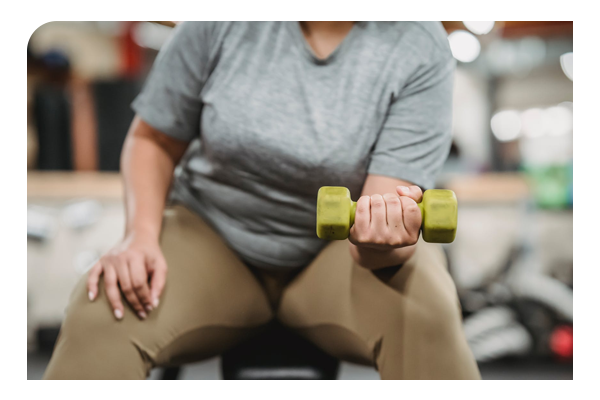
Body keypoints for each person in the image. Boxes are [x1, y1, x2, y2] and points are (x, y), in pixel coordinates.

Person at [44, 21, 480, 380]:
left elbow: (383, 218)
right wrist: (138, 236)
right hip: (212, 236)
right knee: (106, 303)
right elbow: (152, 138)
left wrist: (382, 237)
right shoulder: (221, 21)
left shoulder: (419, 45)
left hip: (334, 257)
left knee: (428, 306)